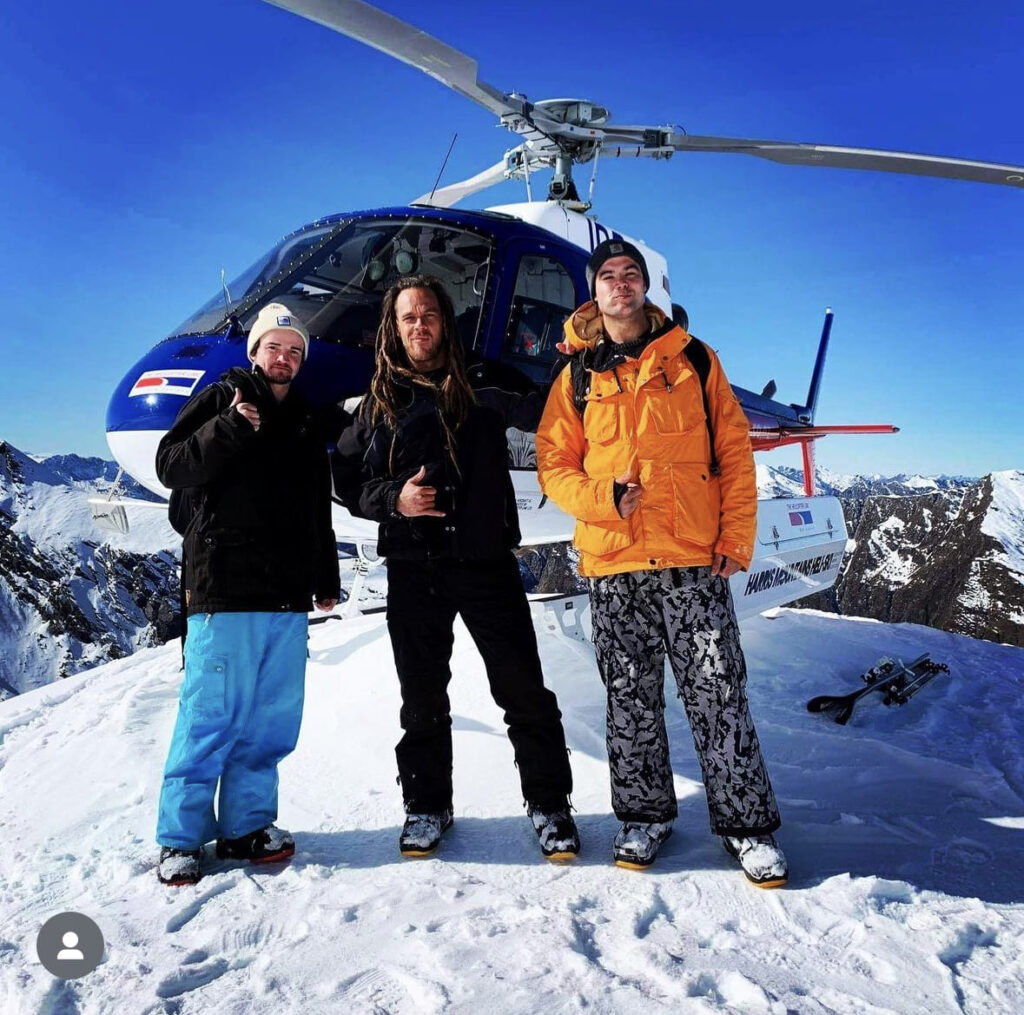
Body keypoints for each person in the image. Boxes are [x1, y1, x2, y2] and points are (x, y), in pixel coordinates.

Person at [535, 239, 787, 887]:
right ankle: (644, 816)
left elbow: (733, 453)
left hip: (691, 564)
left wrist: (736, 537)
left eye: (631, 274)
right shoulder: (577, 376)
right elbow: (554, 465)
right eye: (607, 276)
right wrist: (603, 500)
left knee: (718, 692)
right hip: (614, 565)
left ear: (646, 288)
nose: (620, 284)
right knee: (629, 700)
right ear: (594, 294)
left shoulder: (696, 360)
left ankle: (748, 826)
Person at [332, 275, 579, 861]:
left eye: (429, 315)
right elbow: (348, 483)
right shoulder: (378, 402)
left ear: (445, 320)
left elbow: (549, 406)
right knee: (421, 696)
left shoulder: (485, 380)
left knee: (523, 689)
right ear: (394, 328)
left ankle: (549, 804)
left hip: (485, 560)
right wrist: (394, 499)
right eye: (408, 317)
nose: (419, 326)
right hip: (414, 568)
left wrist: (578, 361)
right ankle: (427, 806)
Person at [154, 302, 340, 886]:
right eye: (273, 348)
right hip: (224, 587)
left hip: (285, 593)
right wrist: (230, 427)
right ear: (254, 351)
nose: (283, 358)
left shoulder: (305, 421)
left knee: (269, 722)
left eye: (294, 351)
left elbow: (317, 508)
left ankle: (246, 827)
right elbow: (171, 466)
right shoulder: (222, 398)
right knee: (209, 717)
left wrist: (325, 577)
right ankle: (180, 839)